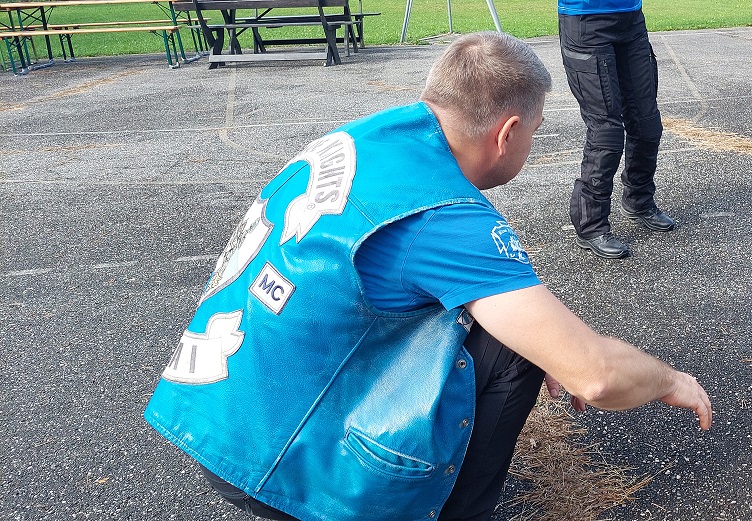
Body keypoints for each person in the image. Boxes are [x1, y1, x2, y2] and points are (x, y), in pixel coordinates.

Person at [144, 32, 711, 521]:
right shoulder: (445, 216)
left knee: (503, 326)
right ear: (507, 132)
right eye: (535, 131)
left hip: (214, 408)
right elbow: (596, 376)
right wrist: (668, 380)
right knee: (517, 351)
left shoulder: (365, 139)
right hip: (275, 464)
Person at [559, 0, 674, 259]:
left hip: (631, 20)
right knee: (606, 134)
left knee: (647, 124)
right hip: (586, 21)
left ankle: (639, 200)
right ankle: (592, 226)